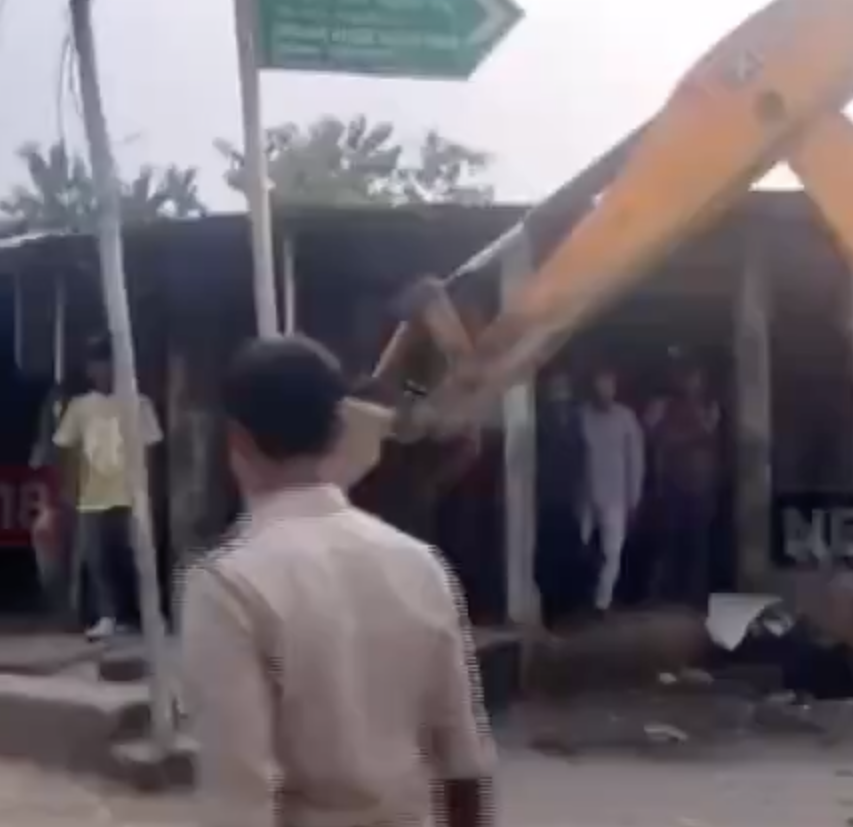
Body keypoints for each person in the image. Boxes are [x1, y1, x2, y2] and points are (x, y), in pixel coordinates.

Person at [179, 336, 494, 827]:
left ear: (236, 440)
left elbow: (240, 798)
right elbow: (463, 762)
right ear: (339, 431)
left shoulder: (228, 586)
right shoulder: (420, 564)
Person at [50, 336, 163, 640]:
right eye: (98, 364)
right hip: (92, 495)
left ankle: (137, 616)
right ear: (90, 369)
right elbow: (68, 449)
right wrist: (68, 489)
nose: (104, 370)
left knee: (132, 558)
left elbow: (150, 451)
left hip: (130, 494)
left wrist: (147, 491)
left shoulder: (139, 403)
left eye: (109, 363)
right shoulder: (80, 406)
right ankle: (109, 616)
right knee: (97, 560)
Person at [644, 364, 722, 609]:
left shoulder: (710, 406)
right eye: (687, 377)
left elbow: (710, 434)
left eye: (695, 377)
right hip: (673, 482)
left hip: (702, 483)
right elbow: (657, 437)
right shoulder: (665, 406)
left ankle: (696, 595)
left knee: (699, 542)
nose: (690, 383)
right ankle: (670, 594)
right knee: (671, 539)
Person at [579, 367, 646, 614]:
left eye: (608, 385)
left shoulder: (625, 418)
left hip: (615, 495)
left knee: (611, 552)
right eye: (599, 385)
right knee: (581, 548)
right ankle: (582, 596)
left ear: (615, 388)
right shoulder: (583, 416)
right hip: (585, 495)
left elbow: (635, 460)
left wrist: (634, 497)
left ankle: (601, 604)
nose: (603, 391)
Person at [536, 371, 591, 624]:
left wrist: (582, 489)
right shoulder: (540, 420)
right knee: (549, 553)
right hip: (548, 497)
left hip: (569, 495)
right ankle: (551, 608)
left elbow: (582, 456)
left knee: (571, 550)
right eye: (556, 390)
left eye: (563, 389)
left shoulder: (576, 420)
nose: (560, 395)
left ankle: (570, 607)